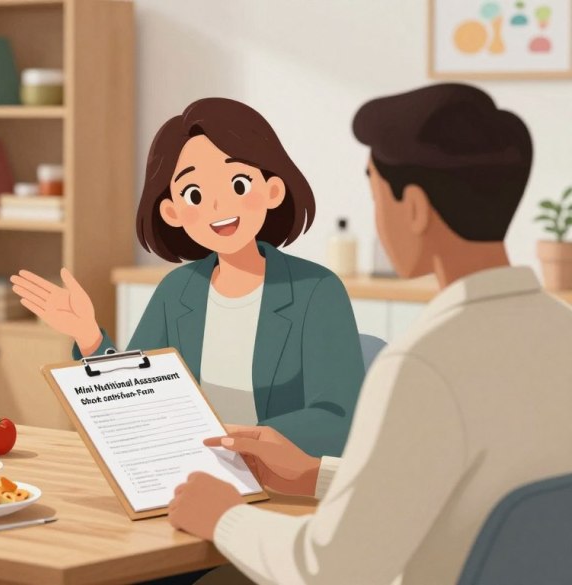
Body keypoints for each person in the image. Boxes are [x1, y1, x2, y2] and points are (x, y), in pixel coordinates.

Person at [168, 83, 572, 585]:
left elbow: (331, 568)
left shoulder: (423, 364)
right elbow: (463, 492)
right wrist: (315, 475)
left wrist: (223, 517)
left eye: (376, 193)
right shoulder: (561, 332)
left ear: (416, 209)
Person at [12, 98, 365, 457]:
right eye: (194, 194)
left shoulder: (317, 291)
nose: (217, 206)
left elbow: (338, 419)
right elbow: (136, 398)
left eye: (238, 184)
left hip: (279, 481)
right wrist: (87, 336)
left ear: (273, 190)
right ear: (172, 212)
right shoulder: (177, 290)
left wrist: (237, 439)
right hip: (187, 466)